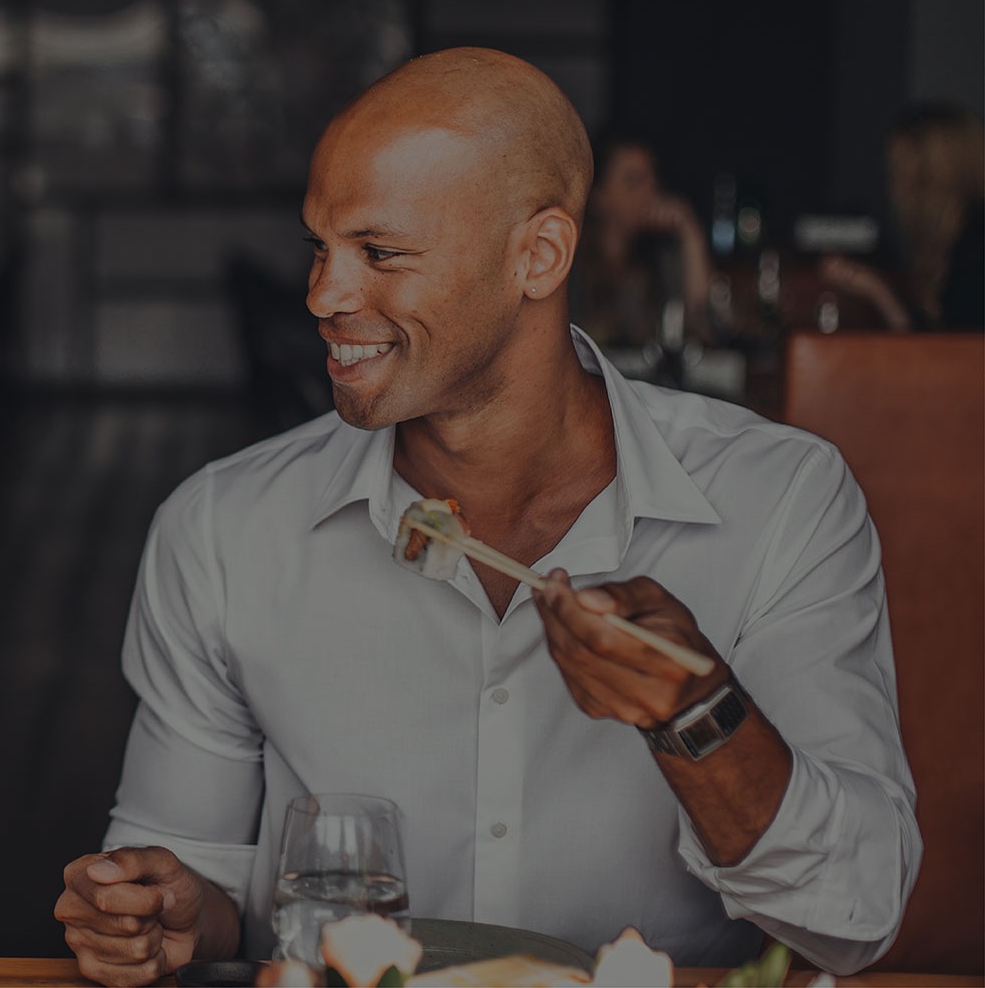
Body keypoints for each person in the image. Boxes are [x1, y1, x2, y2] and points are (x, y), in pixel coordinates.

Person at [56, 48, 918, 986]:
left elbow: (854, 917)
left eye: (380, 253)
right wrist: (170, 914)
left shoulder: (781, 502)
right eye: (319, 248)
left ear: (537, 256)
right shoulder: (220, 530)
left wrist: (697, 713)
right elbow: (198, 881)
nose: (323, 296)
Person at [819, 103, 984, 331]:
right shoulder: (956, 241)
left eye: (898, 171)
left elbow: (953, 348)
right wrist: (877, 291)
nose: (893, 189)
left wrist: (877, 290)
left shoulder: (974, 249)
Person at [572, 131, 716, 349]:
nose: (649, 192)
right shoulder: (573, 263)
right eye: (633, 181)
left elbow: (702, 325)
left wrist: (691, 236)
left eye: (652, 179)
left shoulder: (659, 258)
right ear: (598, 195)